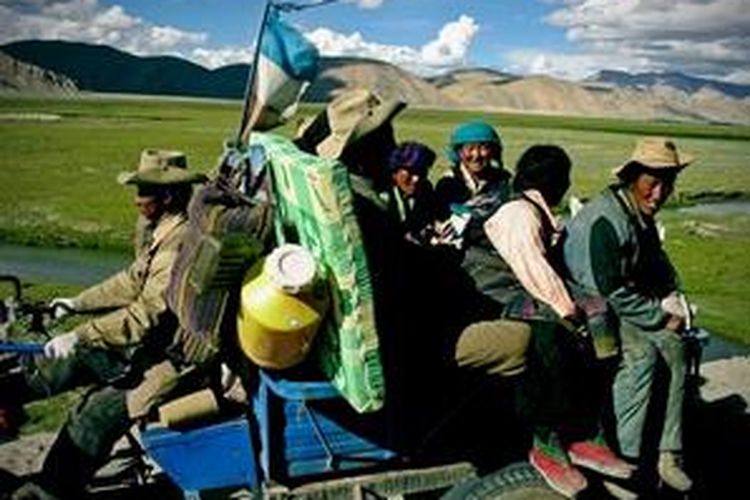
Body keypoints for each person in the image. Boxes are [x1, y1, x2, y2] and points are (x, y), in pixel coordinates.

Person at [1, 149, 207, 499]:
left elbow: (144, 317)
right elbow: (130, 281)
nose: (137, 200)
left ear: (169, 196)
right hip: (143, 350)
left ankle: (50, 491)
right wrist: (75, 303)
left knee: (92, 416)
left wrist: (80, 335)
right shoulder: (166, 230)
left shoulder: (178, 247)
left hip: (165, 362)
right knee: (56, 364)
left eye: (144, 192)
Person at [455, 145, 632, 497]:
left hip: (512, 285)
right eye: (564, 178)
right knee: (556, 331)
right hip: (490, 294)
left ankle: (587, 426)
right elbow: (534, 271)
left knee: (598, 311)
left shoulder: (527, 205)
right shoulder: (519, 212)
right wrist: (567, 312)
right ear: (556, 181)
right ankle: (546, 437)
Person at [563, 137, 695, 494]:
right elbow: (609, 290)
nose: (660, 193)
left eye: (667, 184)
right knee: (641, 355)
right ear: (633, 178)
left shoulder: (636, 212)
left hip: (617, 304)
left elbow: (655, 263)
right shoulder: (607, 219)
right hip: (591, 308)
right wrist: (659, 316)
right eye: (652, 183)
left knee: (676, 347)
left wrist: (674, 297)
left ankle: (669, 453)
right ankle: (624, 462)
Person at [382, 141, 437, 245]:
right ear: (394, 172)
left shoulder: (425, 190)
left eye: (421, 172)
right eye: (411, 172)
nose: (416, 179)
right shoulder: (382, 197)